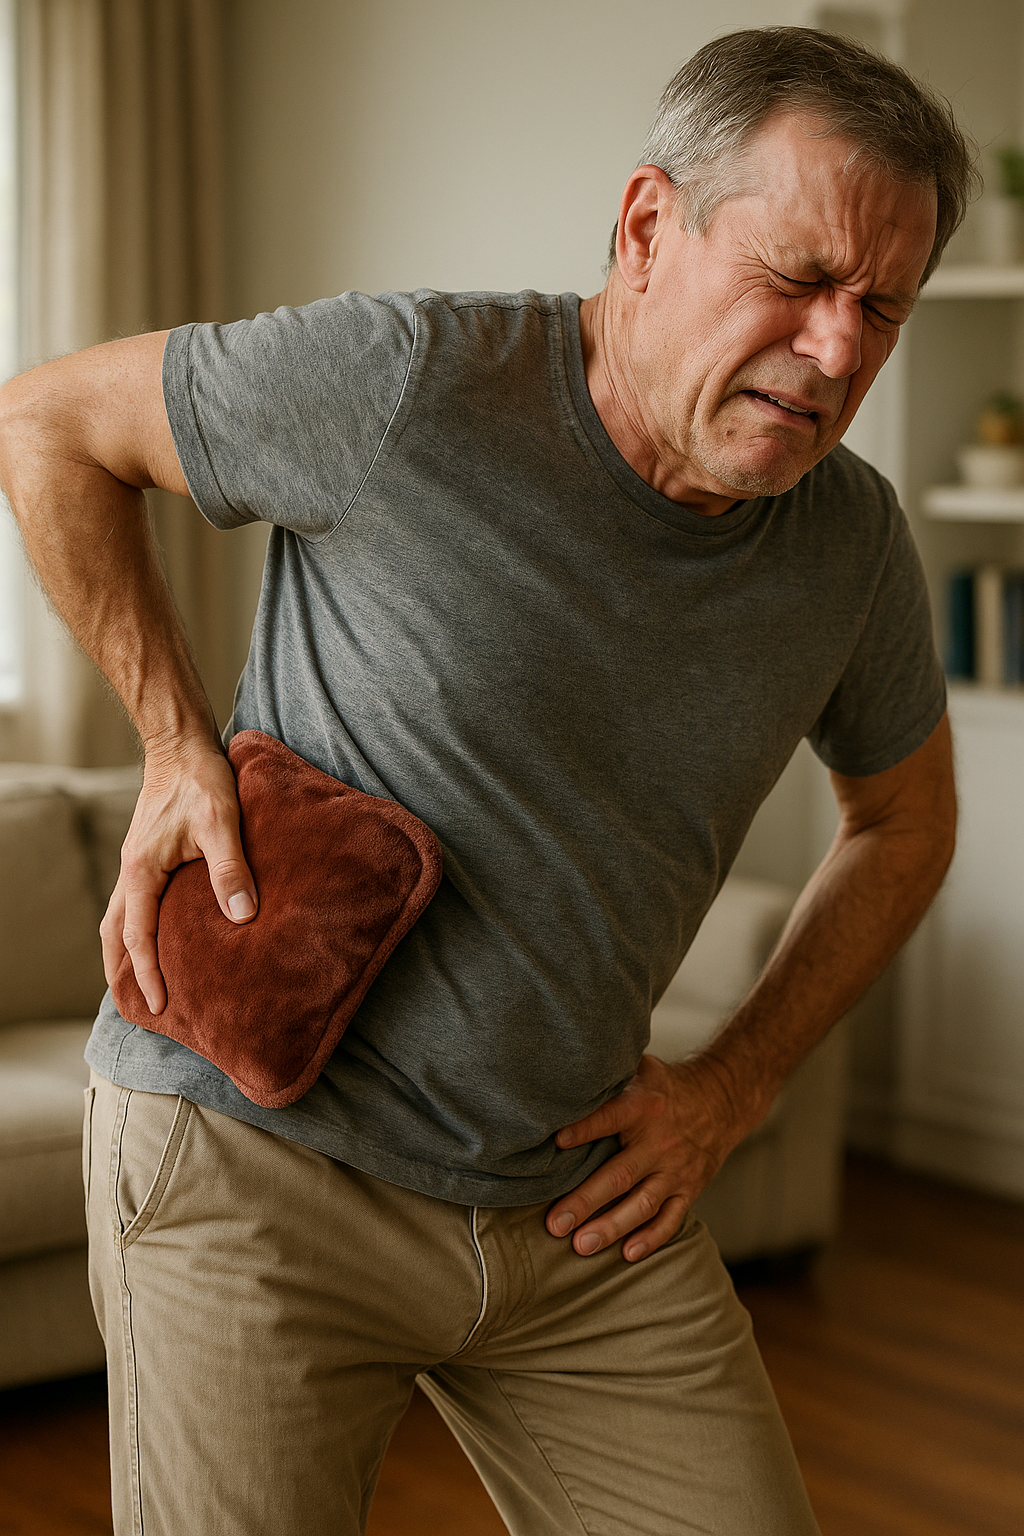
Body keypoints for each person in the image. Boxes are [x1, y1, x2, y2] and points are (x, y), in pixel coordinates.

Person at [0, 24, 971, 1536]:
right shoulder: (409, 382)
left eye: (883, 307)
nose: (839, 350)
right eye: (797, 278)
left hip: (567, 1209)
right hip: (257, 1172)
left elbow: (904, 825)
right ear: (650, 228)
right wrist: (175, 742)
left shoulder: (850, 545)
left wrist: (736, 1085)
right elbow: (48, 423)